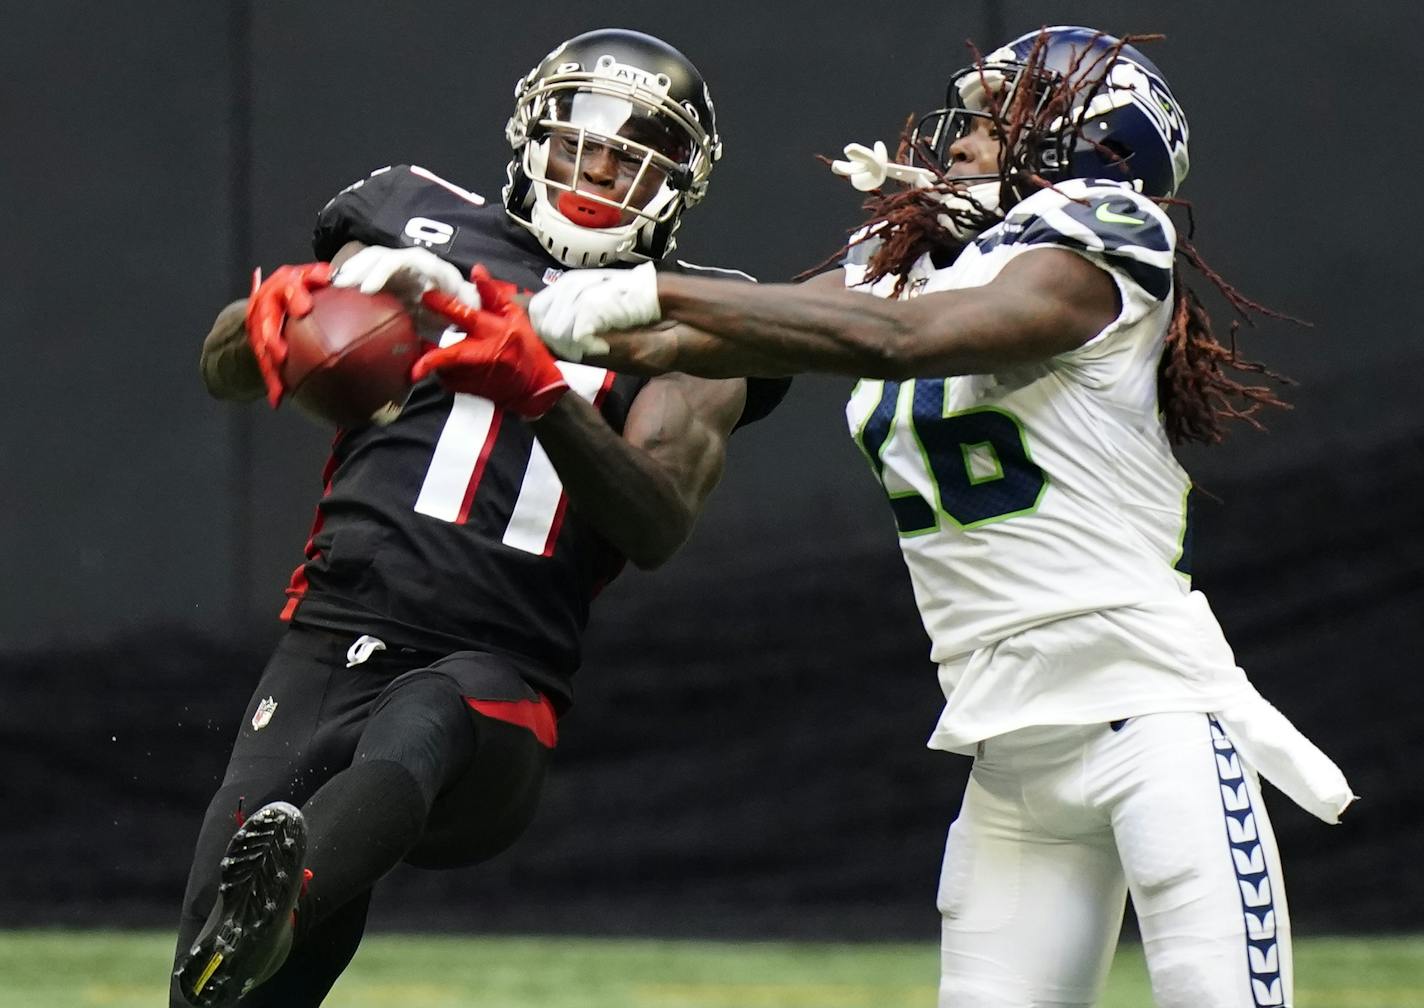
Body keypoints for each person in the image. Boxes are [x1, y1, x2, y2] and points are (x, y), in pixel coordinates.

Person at [521, 26, 1354, 1008]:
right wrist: (485, 310)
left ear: (1089, 148)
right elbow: (724, 334)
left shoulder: (1104, 234)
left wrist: (645, 288)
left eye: (1000, 117)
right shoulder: (918, 258)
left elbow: (895, 341)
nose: (962, 132)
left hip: (1153, 727)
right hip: (1009, 751)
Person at [171, 28, 786, 1008]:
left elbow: (655, 524)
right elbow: (223, 372)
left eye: (634, 156)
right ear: (528, 136)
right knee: (217, 997)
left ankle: (283, 904)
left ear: (680, 184)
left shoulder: (695, 311)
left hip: (501, 674)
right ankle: (261, 927)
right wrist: (262, 322)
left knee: (426, 715)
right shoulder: (408, 218)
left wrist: (542, 393)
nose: (599, 171)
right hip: (327, 637)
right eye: (581, 141)